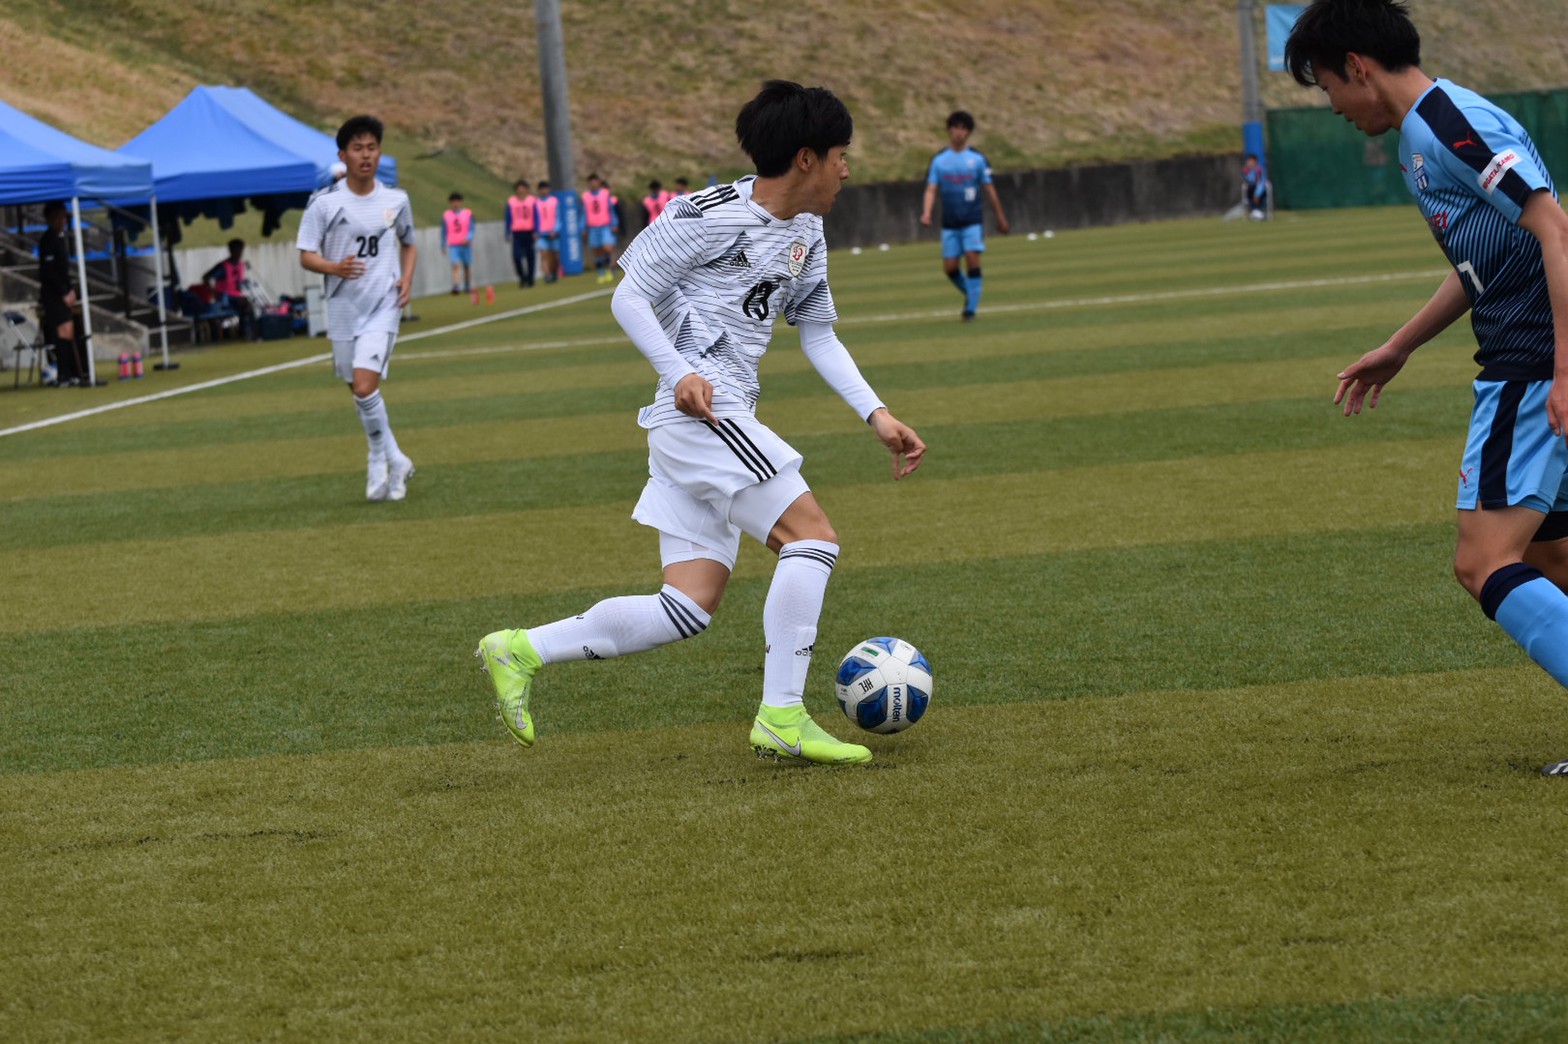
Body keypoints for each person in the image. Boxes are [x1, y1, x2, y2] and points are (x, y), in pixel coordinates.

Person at [476, 80, 926, 766]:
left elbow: (818, 332)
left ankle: (520, 649)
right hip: (703, 413)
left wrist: (877, 412)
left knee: (686, 606)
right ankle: (781, 715)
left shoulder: (808, 230)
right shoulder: (705, 213)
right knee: (813, 538)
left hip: (702, 421)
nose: (846, 169)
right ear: (806, 157)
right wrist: (680, 371)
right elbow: (629, 297)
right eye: (840, 154)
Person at [1285, 0, 1568, 775]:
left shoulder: (1449, 124)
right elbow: (1489, 258)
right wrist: (1401, 345)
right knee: (1552, 558)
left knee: (1483, 562)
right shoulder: (1427, 131)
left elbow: (1554, 228)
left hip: (1531, 362)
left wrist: (1563, 371)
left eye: (1327, 86)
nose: (1333, 106)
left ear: (1358, 67)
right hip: (1532, 356)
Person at [297, 115, 419, 502]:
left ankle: (376, 459)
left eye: (372, 148)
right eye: (357, 149)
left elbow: (409, 242)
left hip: (383, 304)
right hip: (342, 308)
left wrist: (407, 278)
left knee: (366, 388)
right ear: (342, 155)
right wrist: (334, 267)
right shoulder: (323, 203)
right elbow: (306, 255)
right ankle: (397, 459)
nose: (365, 155)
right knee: (360, 393)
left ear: (379, 152)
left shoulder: (396, 200)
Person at [920, 110, 1009, 321]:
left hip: (972, 220)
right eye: (955, 128)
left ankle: (970, 309)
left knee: (972, 258)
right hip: (950, 222)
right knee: (950, 268)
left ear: (968, 132)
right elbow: (931, 189)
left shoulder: (977, 159)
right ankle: (973, 293)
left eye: (963, 129)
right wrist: (926, 212)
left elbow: (990, 190)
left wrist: (1000, 217)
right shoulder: (940, 160)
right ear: (949, 130)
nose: (959, 132)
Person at [36, 201, 88, 387]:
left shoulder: (59, 239)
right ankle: (63, 375)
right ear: (50, 219)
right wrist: (63, 292)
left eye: (64, 217)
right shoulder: (47, 241)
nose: (63, 221)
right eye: (59, 217)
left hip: (63, 292)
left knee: (69, 330)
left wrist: (71, 289)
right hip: (52, 296)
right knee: (63, 330)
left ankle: (71, 373)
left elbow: (63, 271)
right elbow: (48, 273)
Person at [203, 238, 257, 340]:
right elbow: (206, 277)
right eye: (237, 250)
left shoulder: (241, 265)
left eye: (240, 250)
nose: (239, 253)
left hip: (237, 296)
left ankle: (247, 332)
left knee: (250, 303)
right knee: (246, 306)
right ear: (231, 251)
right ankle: (246, 333)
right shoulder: (223, 266)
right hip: (226, 298)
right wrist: (214, 292)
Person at [581, 172, 618, 283]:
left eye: (595, 181)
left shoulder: (605, 194)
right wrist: (583, 228)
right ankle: (601, 273)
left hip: (605, 226)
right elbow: (584, 213)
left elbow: (611, 210)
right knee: (597, 251)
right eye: (591, 182)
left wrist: (614, 224)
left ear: (598, 182)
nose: (593, 184)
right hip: (593, 228)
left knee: (607, 248)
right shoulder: (585, 196)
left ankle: (610, 270)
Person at [505, 179, 538, 288]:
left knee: (530, 256)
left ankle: (530, 278)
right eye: (519, 188)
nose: (521, 190)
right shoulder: (511, 201)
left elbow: (536, 216)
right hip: (517, 232)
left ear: (526, 189)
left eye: (523, 188)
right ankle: (522, 277)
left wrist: (536, 230)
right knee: (517, 256)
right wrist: (507, 232)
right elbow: (508, 217)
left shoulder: (532, 200)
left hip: (529, 231)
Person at [441, 192, 474, 295]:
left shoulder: (467, 214)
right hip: (454, 245)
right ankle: (456, 286)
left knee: (466, 266)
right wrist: (443, 244)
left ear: (461, 202)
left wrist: (468, 238)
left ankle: (467, 285)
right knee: (455, 265)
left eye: (457, 201)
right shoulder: (446, 215)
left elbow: (472, 229)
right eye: (453, 201)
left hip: (465, 244)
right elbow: (444, 231)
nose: (455, 204)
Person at [535, 180, 561, 283]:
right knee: (544, 254)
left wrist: (555, 230)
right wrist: (535, 231)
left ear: (548, 189)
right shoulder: (536, 203)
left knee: (554, 256)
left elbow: (558, 217)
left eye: (545, 189)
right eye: (541, 189)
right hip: (541, 234)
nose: (543, 191)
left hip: (553, 233)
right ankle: (547, 275)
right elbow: (534, 219)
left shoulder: (554, 201)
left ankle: (554, 272)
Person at [1242, 153, 1270, 220]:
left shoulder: (1259, 170)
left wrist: (1257, 194)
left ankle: (1259, 211)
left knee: (1262, 192)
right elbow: (1249, 180)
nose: (1249, 163)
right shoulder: (1246, 170)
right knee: (1250, 189)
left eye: (1251, 161)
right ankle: (1256, 211)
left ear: (1255, 162)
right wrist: (1250, 171)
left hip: (1260, 190)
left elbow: (1262, 182)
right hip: (1250, 190)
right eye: (1248, 161)